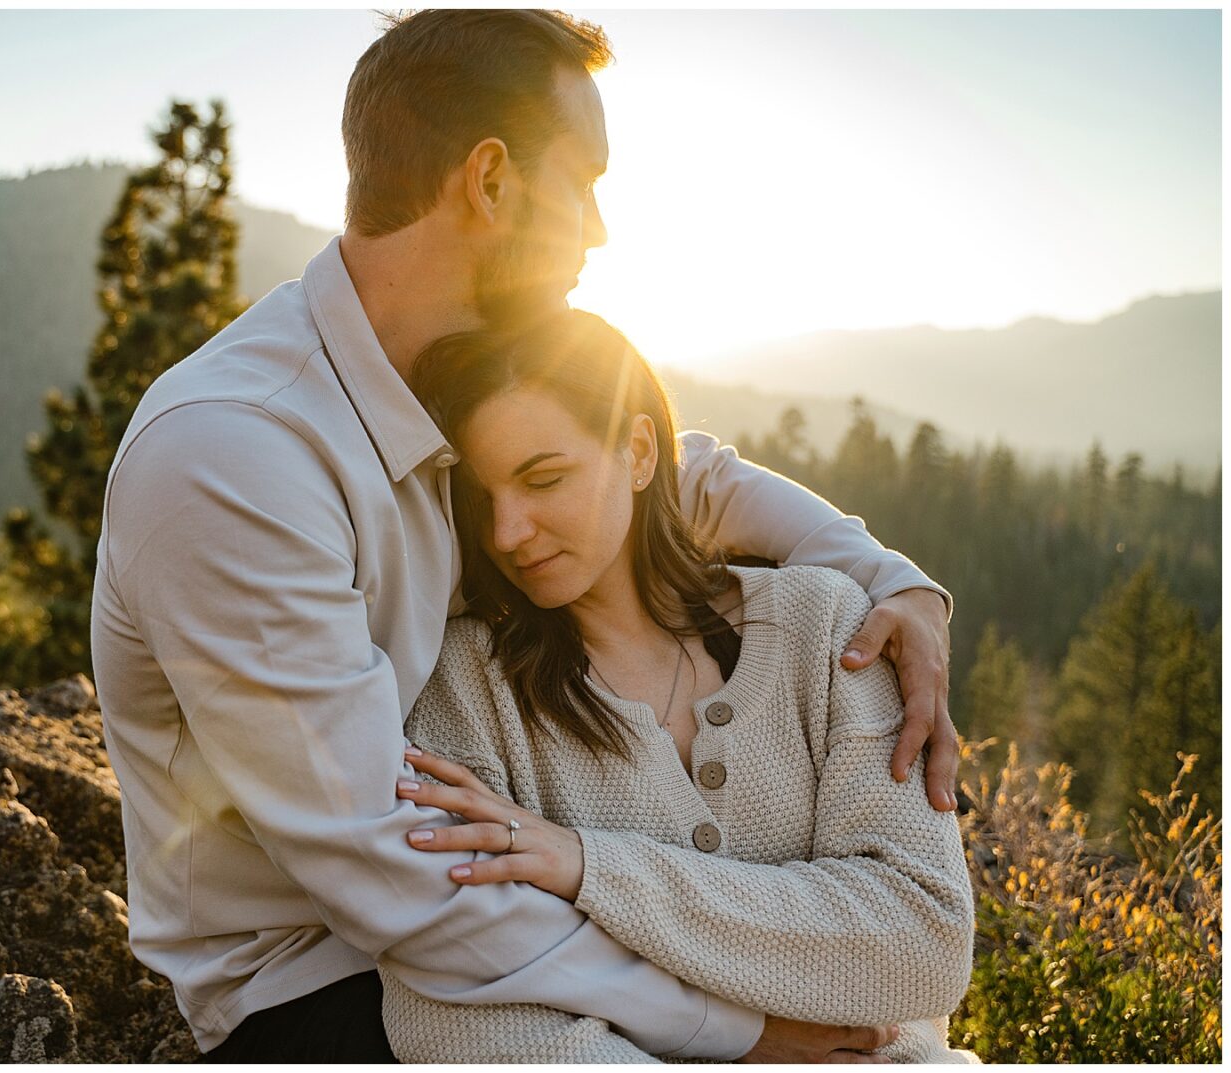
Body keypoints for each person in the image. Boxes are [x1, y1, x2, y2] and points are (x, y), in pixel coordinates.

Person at [92, 9, 959, 1062]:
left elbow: (685, 477)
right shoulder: (234, 457)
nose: (598, 229)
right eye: (582, 179)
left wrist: (893, 586)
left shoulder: (467, 373)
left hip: (547, 900)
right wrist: (740, 1027)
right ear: (491, 181)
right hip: (329, 980)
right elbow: (393, 868)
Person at [382, 310, 977, 1062]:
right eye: (481, 495)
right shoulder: (465, 688)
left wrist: (587, 866)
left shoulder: (827, 627)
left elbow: (923, 945)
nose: (507, 532)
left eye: (544, 478)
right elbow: (454, 1020)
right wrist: (749, 1032)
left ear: (636, 451)